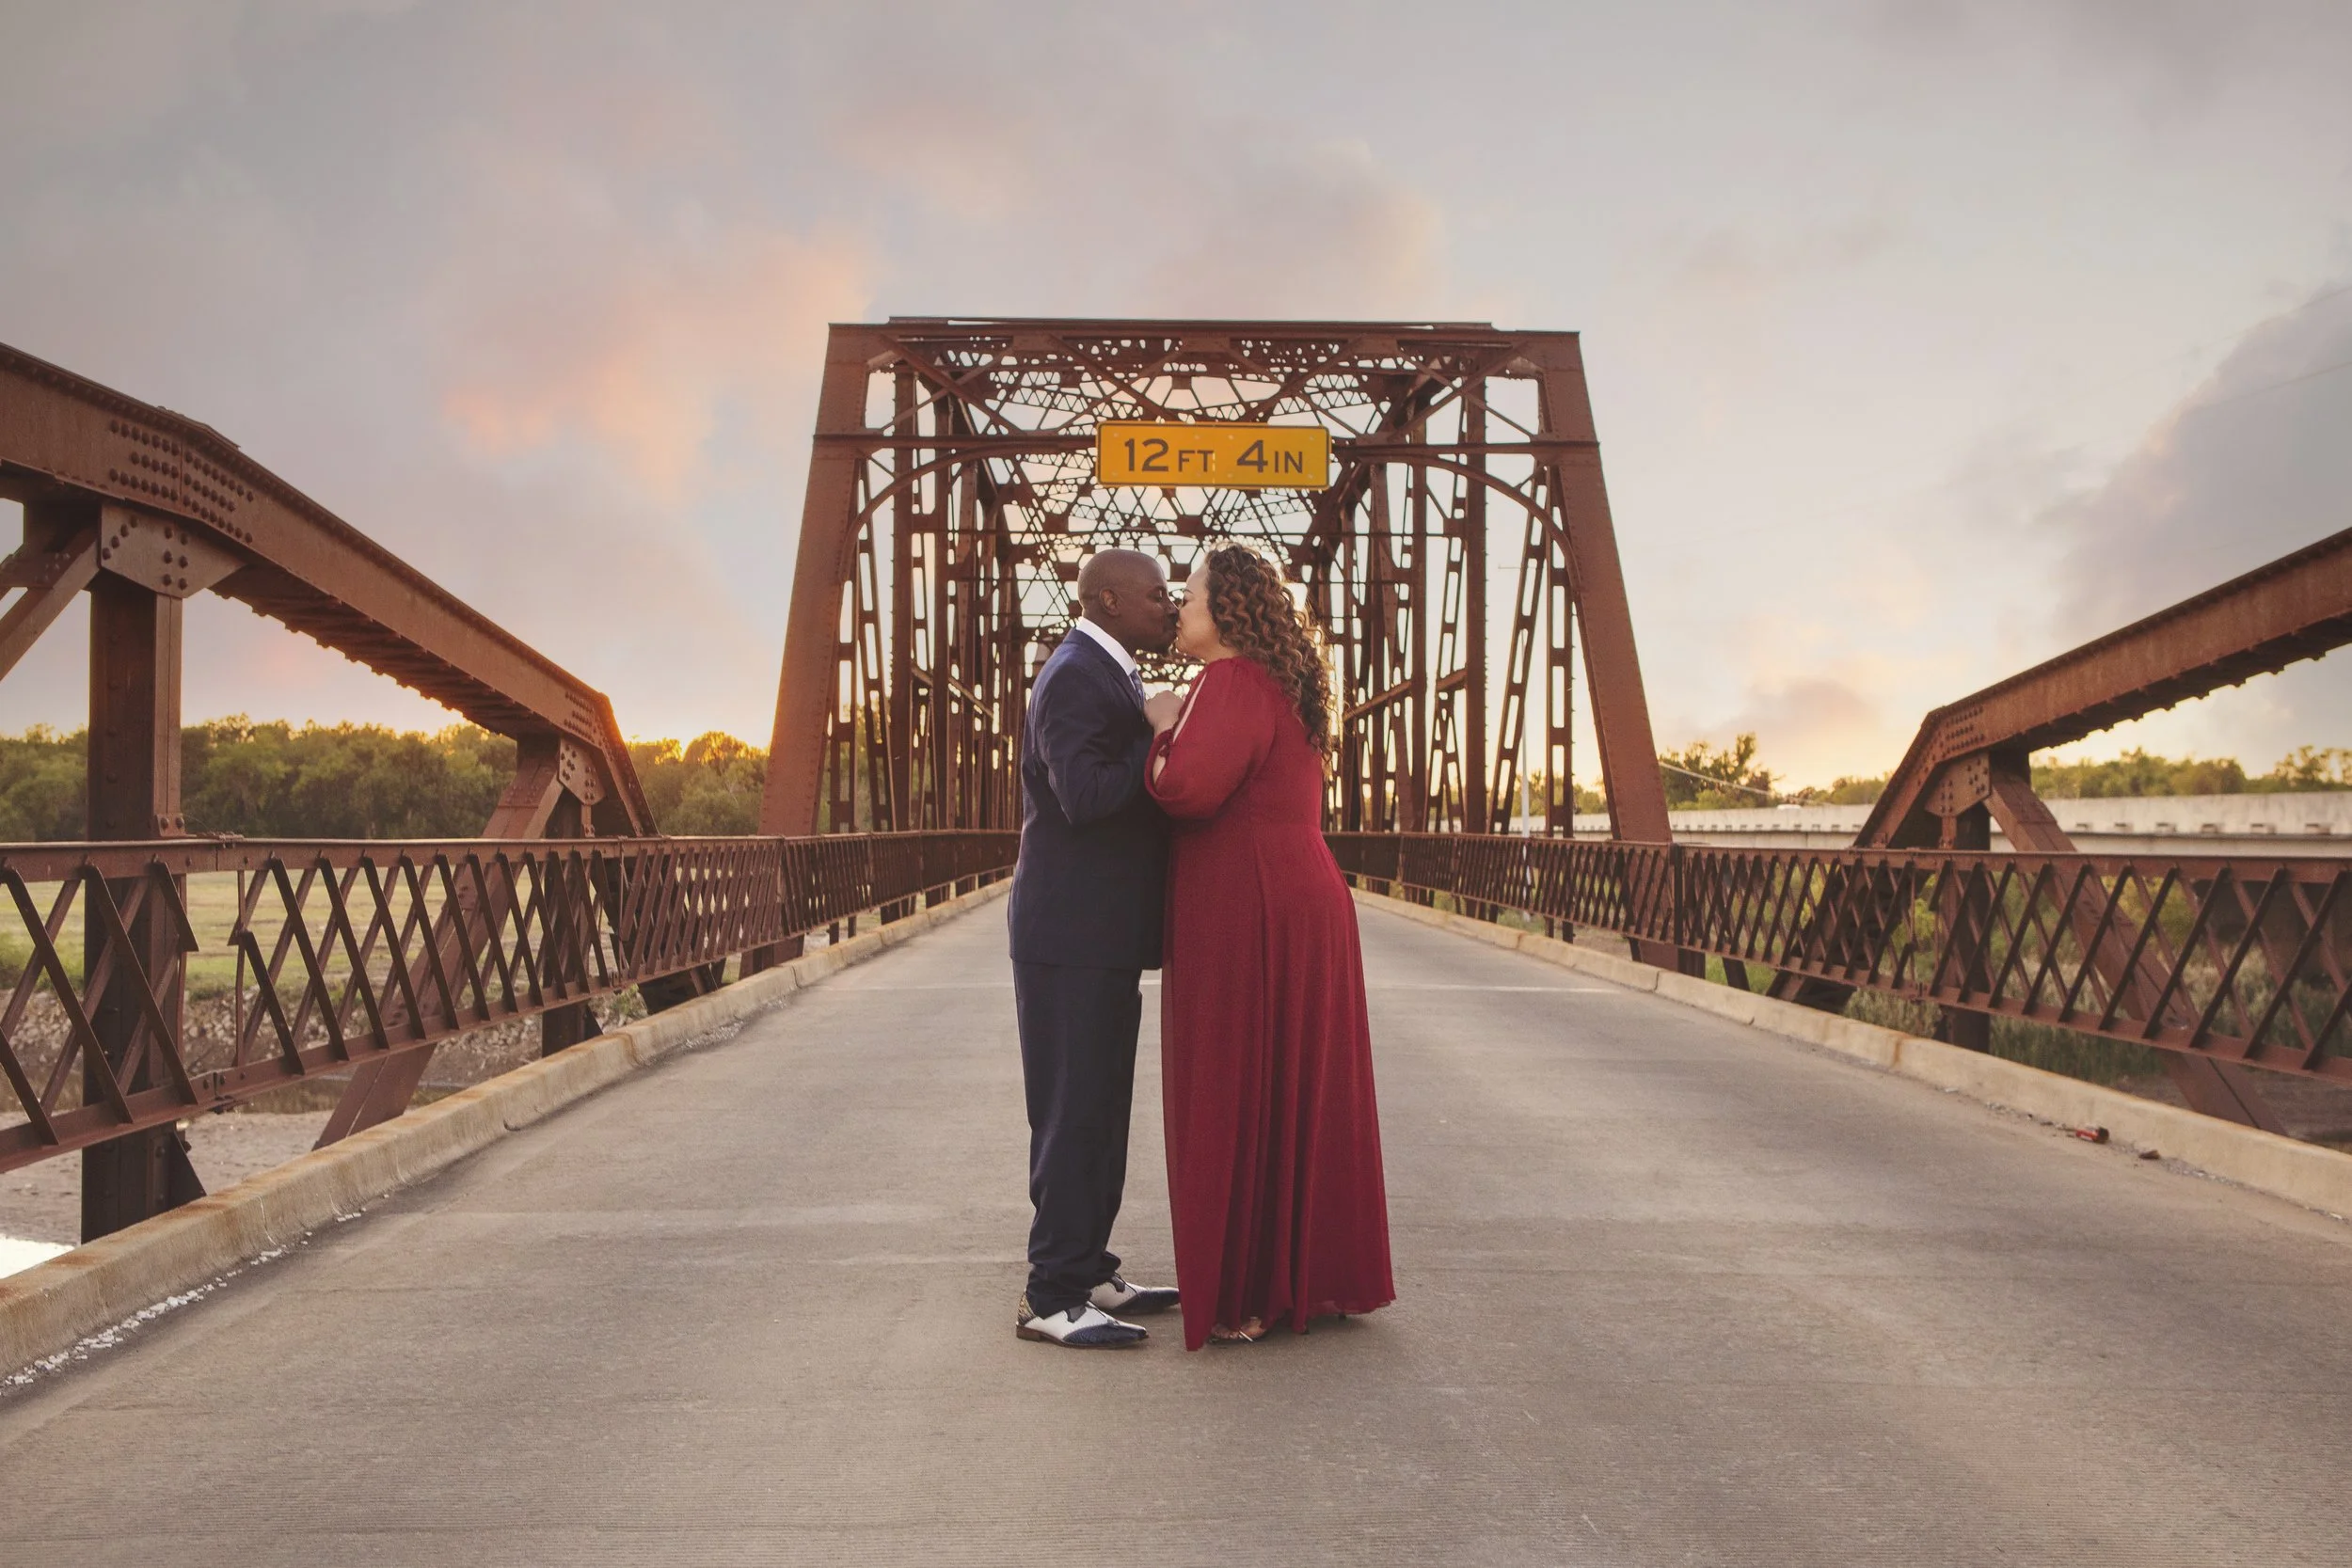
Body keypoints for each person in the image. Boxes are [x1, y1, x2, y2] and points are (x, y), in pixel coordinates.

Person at [1142, 543, 1395, 1349]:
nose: (1178, 611)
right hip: (1297, 893)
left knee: (1236, 1079)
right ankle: (1300, 1279)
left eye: (1189, 597)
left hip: (1248, 903)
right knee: (1291, 1083)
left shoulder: (1230, 679)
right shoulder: (1278, 684)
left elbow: (1188, 787)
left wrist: (1160, 727)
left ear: (1228, 612)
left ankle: (1248, 1290)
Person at [1007, 547, 1185, 1348]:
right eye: (1155, 596)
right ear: (1109, 599)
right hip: (1070, 934)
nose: (1169, 606)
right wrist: (1157, 737)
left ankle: (1088, 1268)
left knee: (1102, 1108)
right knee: (1072, 1112)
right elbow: (1082, 796)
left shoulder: (1103, 668)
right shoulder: (1077, 671)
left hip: (1097, 935)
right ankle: (1050, 1293)